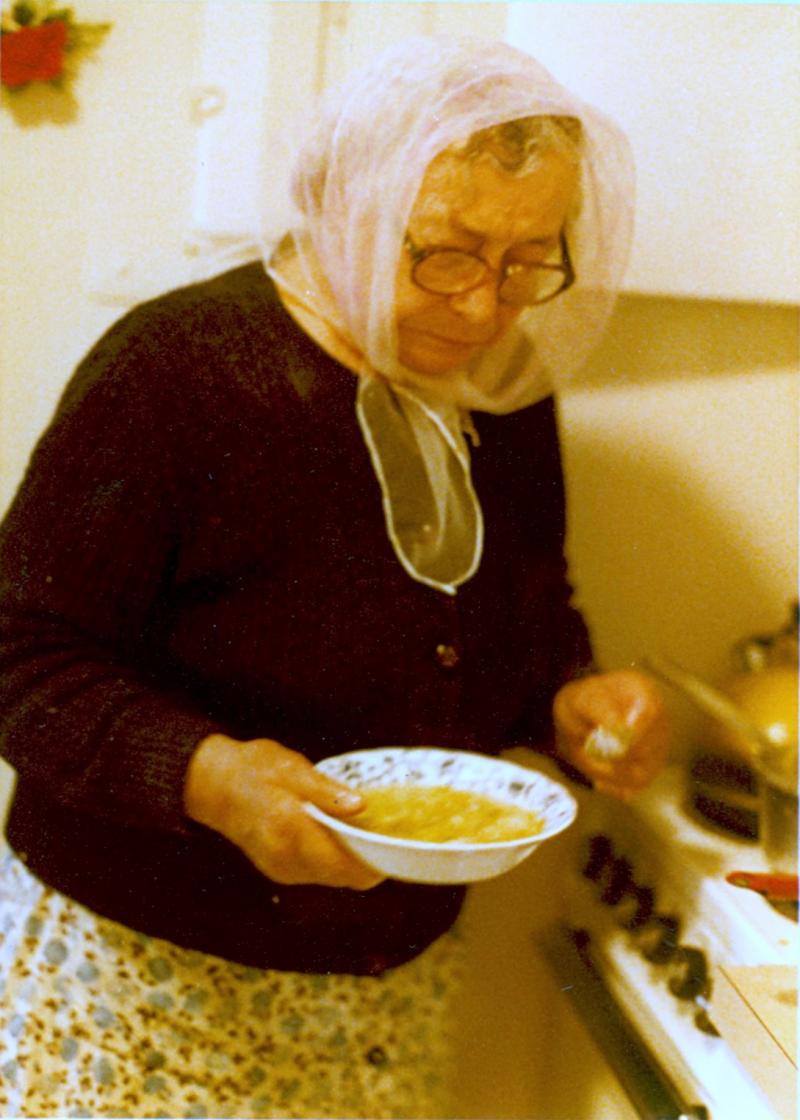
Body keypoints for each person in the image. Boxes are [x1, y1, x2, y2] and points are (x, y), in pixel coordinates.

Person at [0, 35, 667, 1120]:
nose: (481, 308)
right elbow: (21, 654)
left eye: (527, 259)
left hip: (381, 994)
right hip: (143, 990)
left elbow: (521, 619)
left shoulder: (501, 391)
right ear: (337, 202)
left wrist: (567, 702)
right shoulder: (176, 371)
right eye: (441, 252)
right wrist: (212, 776)